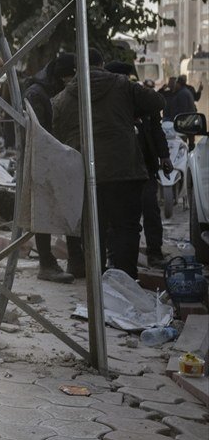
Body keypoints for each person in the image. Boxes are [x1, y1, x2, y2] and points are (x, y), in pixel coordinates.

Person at [52, 50, 165, 279]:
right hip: (124, 170)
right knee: (126, 228)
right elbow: (157, 101)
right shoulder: (123, 85)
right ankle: (126, 281)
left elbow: (58, 137)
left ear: (76, 69)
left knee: (93, 231)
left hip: (86, 173)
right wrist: (130, 111)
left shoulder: (61, 99)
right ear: (102, 64)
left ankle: (97, 285)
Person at [106, 62, 170, 268]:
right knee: (117, 216)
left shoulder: (141, 98)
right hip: (118, 168)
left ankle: (154, 252)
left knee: (150, 209)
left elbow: (157, 130)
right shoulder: (108, 101)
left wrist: (165, 156)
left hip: (144, 167)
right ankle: (114, 257)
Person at [23, 53, 76, 283]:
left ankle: (76, 259)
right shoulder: (37, 93)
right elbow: (39, 133)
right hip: (42, 159)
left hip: (59, 157)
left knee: (69, 207)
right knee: (43, 210)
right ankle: (46, 262)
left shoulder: (52, 89)